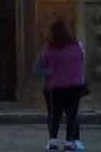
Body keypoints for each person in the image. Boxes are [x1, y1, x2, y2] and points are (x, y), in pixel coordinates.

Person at [33, 18, 87, 150]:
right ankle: (70, 142)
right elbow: (82, 61)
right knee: (72, 115)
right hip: (75, 85)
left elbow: (36, 69)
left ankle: (53, 142)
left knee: (54, 115)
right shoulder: (78, 46)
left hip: (55, 86)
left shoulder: (48, 48)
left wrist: (50, 72)